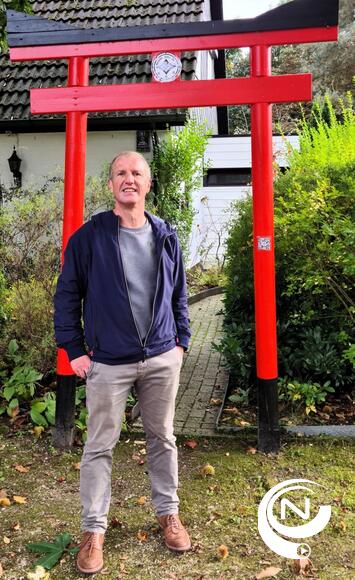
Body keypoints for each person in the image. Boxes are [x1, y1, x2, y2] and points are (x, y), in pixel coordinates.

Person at [54, 151, 191, 575]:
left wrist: (181, 342)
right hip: (109, 363)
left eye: (137, 173)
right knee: (98, 447)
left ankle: (168, 514)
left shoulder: (167, 235)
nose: (129, 179)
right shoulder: (89, 237)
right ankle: (93, 530)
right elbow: (66, 295)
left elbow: (180, 294)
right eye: (120, 173)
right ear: (111, 184)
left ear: (148, 185)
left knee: (162, 438)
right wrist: (73, 349)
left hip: (161, 359)